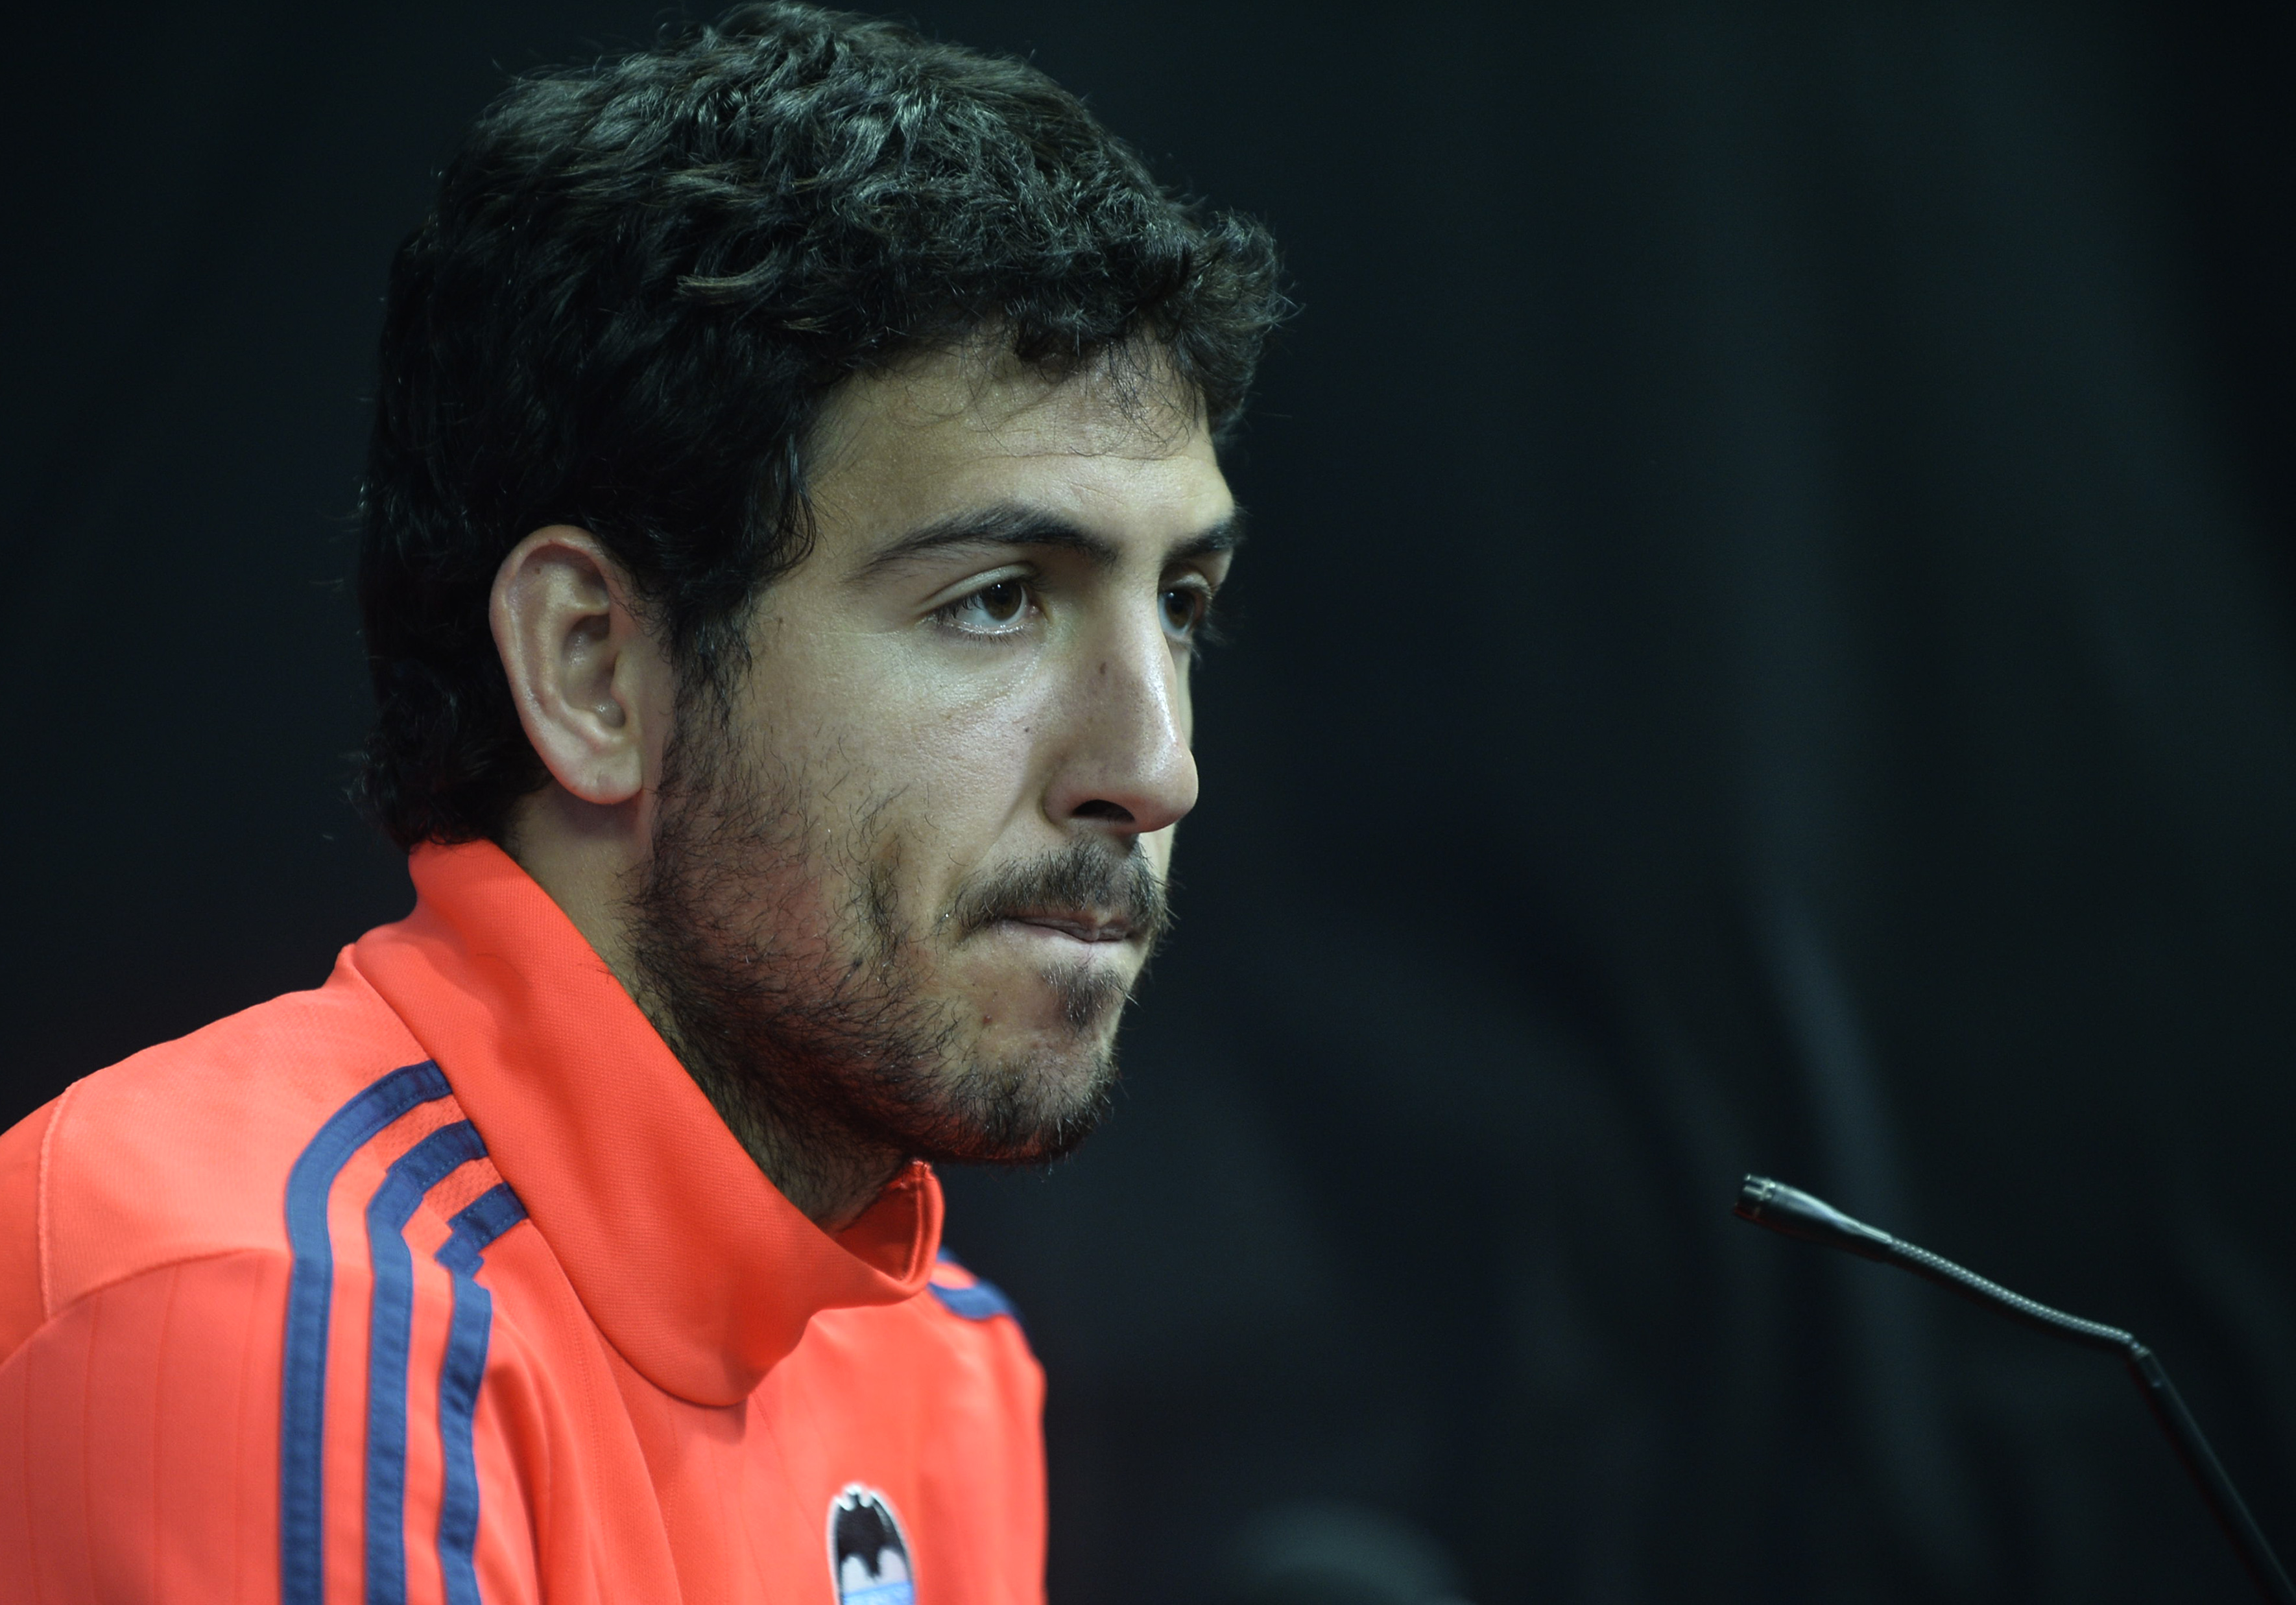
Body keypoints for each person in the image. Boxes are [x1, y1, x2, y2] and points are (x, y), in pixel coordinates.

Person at [0, 5, 1282, 1600]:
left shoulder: (947, 1367)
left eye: (1183, 604)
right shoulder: (264, 1298)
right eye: (999, 600)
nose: (1157, 766)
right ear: (596, 666)